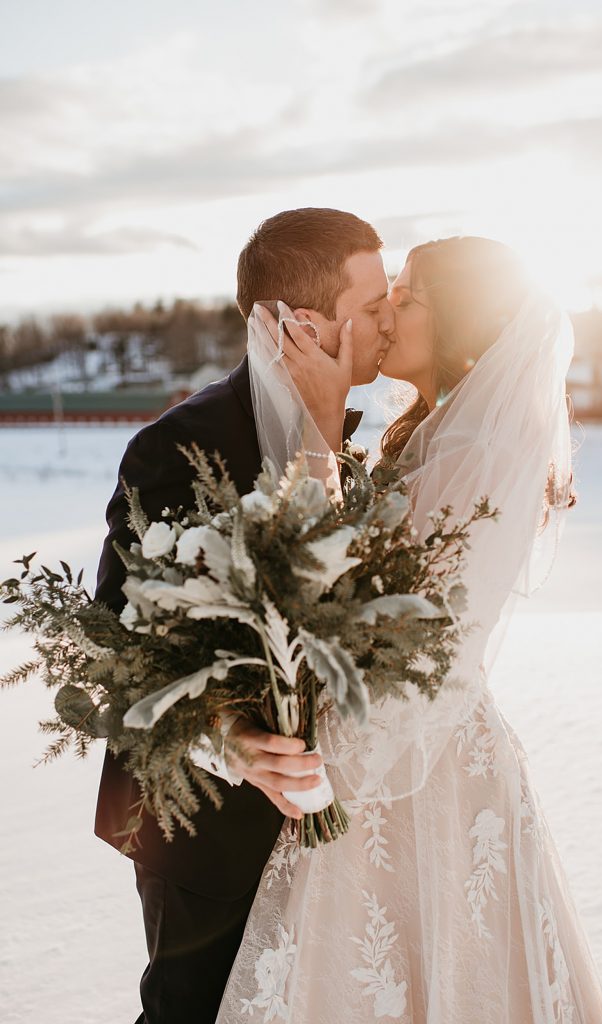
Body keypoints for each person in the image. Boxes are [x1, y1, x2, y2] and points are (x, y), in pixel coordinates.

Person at [215, 237, 602, 1022]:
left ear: (462, 324)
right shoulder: (431, 434)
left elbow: (385, 621)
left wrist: (333, 762)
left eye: (408, 296)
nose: (387, 313)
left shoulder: (477, 452)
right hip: (396, 745)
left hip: (411, 758)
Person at [92, 207, 394, 1024]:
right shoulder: (172, 450)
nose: (390, 323)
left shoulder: (354, 446)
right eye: (373, 308)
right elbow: (119, 657)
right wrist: (236, 741)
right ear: (304, 325)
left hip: (325, 838)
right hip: (201, 831)